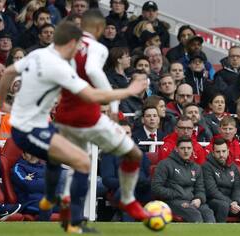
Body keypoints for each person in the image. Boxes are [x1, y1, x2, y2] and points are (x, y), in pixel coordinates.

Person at [0, 21, 148, 233]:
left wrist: (0, 103)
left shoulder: (38, 54)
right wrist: (130, 90)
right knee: (80, 161)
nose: (79, 51)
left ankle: (65, 213)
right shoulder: (59, 67)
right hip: (28, 130)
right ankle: (70, 219)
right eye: (78, 46)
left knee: (78, 160)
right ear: (70, 43)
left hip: (38, 126)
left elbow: (10, 71)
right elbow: (93, 95)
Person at [51, 10, 150, 230]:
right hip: (87, 114)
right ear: (99, 28)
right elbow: (92, 70)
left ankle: (71, 216)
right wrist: (114, 105)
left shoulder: (62, 46)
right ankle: (127, 198)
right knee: (133, 154)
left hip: (64, 115)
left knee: (79, 165)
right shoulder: (97, 47)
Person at [152, 136, 215, 223]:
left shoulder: (196, 167)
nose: (186, 151)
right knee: (195, 214)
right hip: (172, 201)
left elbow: (200, 189)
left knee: (208, 213)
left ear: (192, 149)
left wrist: (199, 199)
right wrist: (177, 194)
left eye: (189, 148)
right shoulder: (164, 164)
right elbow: (156, 187)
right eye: (182, 148)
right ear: (176, 149)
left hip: (192, 201)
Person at [202, 138, 240, 222]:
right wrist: (230, 203)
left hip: (232, 201)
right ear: (213, 153)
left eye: (223, 151)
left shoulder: (233, 166)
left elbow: (238, 187)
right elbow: (212, 191)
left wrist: (235, 201)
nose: (221, 155)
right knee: (223, 205)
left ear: (228, 151)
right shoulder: (206, 166)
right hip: (213, 201)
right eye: (218, 152)